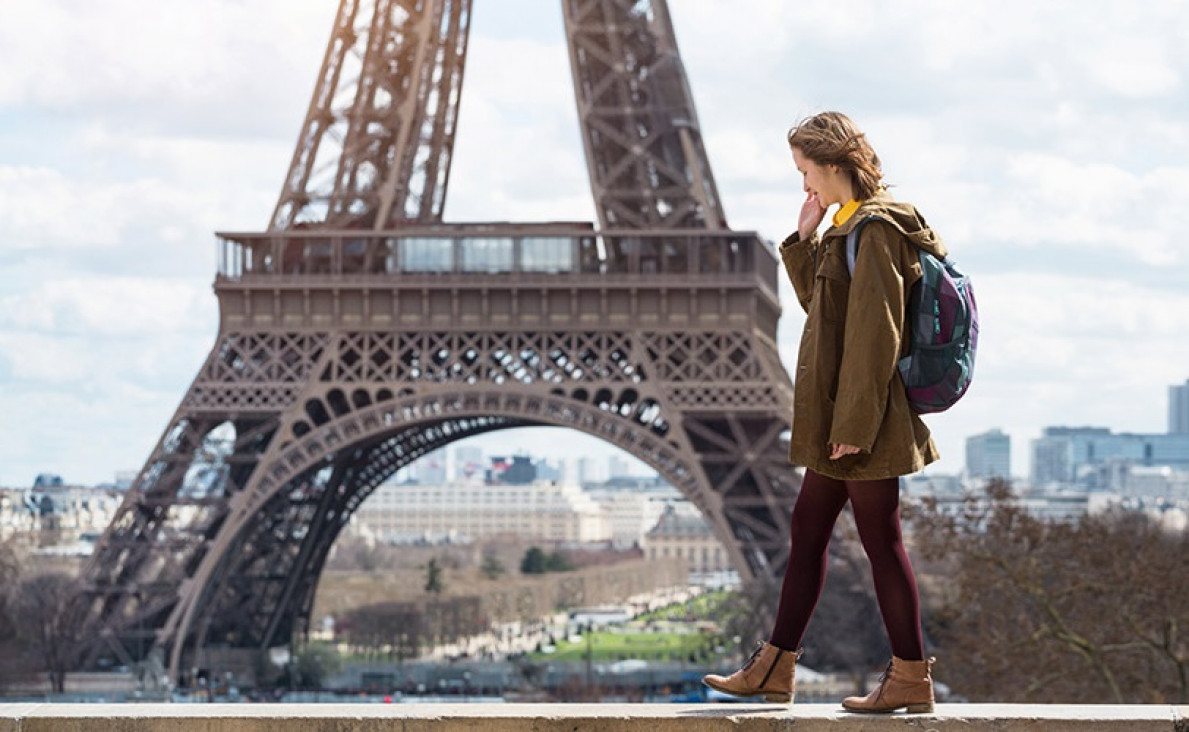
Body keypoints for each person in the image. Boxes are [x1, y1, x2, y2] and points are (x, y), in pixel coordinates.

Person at [702, 111, 942, 713]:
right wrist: (804, 238)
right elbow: (824, 310)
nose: (803, 184)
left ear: (833, 165)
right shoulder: (848, 226)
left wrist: (854, 429)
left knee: (879, 542)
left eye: (806, 172)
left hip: (862, 420)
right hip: (842, 414)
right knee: (809, 532)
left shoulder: (878, 230)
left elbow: (874, 336)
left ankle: (909, 676)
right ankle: (776, 667)